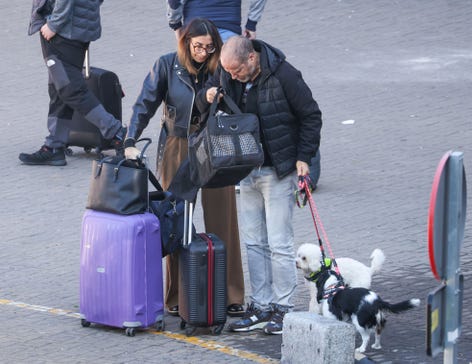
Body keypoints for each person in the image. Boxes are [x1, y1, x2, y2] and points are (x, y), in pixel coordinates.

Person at [196, 35, 322, 334]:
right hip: (244, 168)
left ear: (251, 59)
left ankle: (283, 308)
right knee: (254, 242)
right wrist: (208, 95)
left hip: (278, 170)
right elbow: (205, 96)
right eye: (227, 72)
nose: (232, 76)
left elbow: (311, 116)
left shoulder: (285, 75)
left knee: (279, 243)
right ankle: (261, 305)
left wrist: (304, 157)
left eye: (236, 71)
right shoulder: (228, 73)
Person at [123, 18, 245, 318]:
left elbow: (238, 102)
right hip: (177, 144)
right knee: (176, 220)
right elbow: (144, 104)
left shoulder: (221, 68)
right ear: (186, 42)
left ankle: (229, 293)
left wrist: (218, 97)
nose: (203, 53)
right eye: (197, 46)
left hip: (215, 145)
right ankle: (176, 295)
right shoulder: (166, 65)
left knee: (223, 218)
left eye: (209, 47)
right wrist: (129, 139)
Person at [19, 0, 125, 166]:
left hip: (64, 28)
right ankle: (54, 146)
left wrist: (54, 24)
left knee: (71, 89)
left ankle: (116, 132)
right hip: (79, 26)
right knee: (58, 88)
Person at [167, 0, 267, 41]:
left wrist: (176, 25)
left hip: (195, 31)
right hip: (229, 30)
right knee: (237, 73)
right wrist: (251, 24)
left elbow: (174, 2)